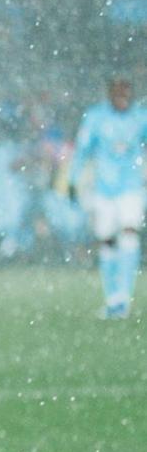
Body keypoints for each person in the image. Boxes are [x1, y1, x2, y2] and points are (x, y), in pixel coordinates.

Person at [68, 79, 147, 319]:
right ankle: (112, 299)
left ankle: (123, 298)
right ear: (110, 92)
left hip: (131, 187)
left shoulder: (140, 117)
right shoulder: (96, 117)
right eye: (118, 90)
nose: (122, 95)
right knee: (107, 242)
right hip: (103, 188)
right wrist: (73, 180)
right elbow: (82, 150)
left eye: (126, 90)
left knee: (129, 235)